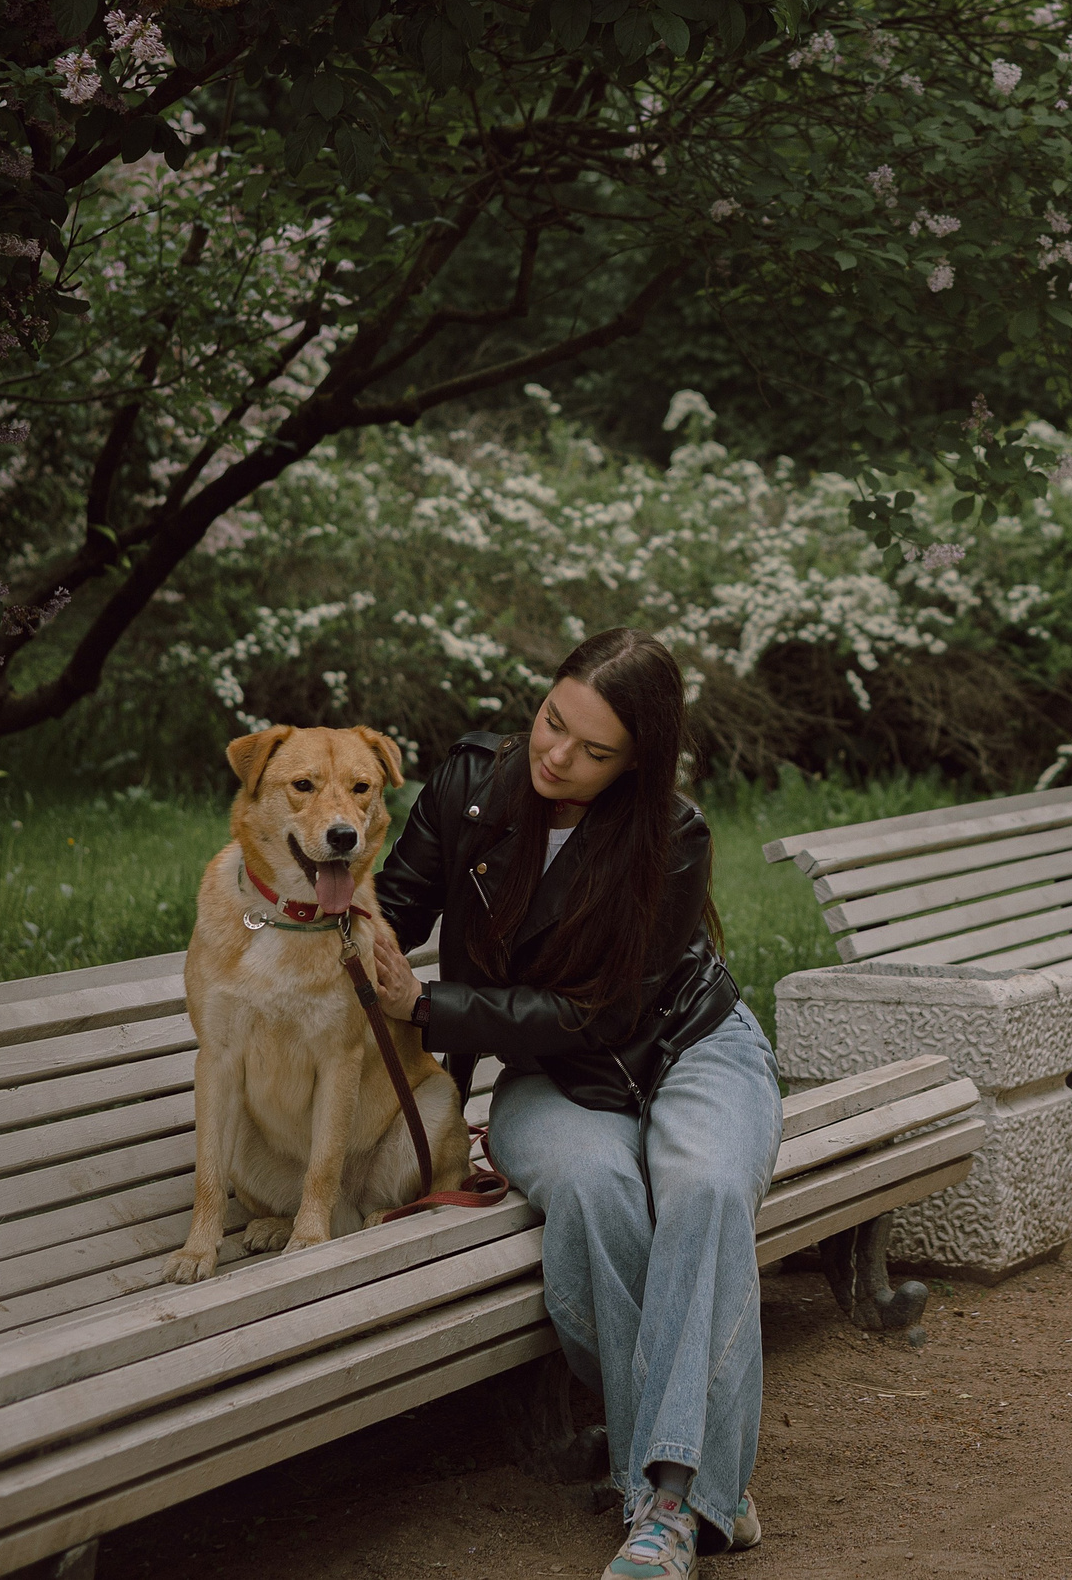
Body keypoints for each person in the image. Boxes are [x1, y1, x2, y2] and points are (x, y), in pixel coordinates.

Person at [370, 628, 778, 1580]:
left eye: (594, 753)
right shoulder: (470, 786)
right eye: (554, 723)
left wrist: (431, 1005)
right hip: (552, 1077)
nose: (557, 756)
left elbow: (604, 1010)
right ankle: (707, 1472)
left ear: (639, 761)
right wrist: (317, 908)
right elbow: (394, 907)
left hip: (686, 1046)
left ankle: (668, 1509)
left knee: (706, 1189)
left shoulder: (670, 836)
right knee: (594, 1193)